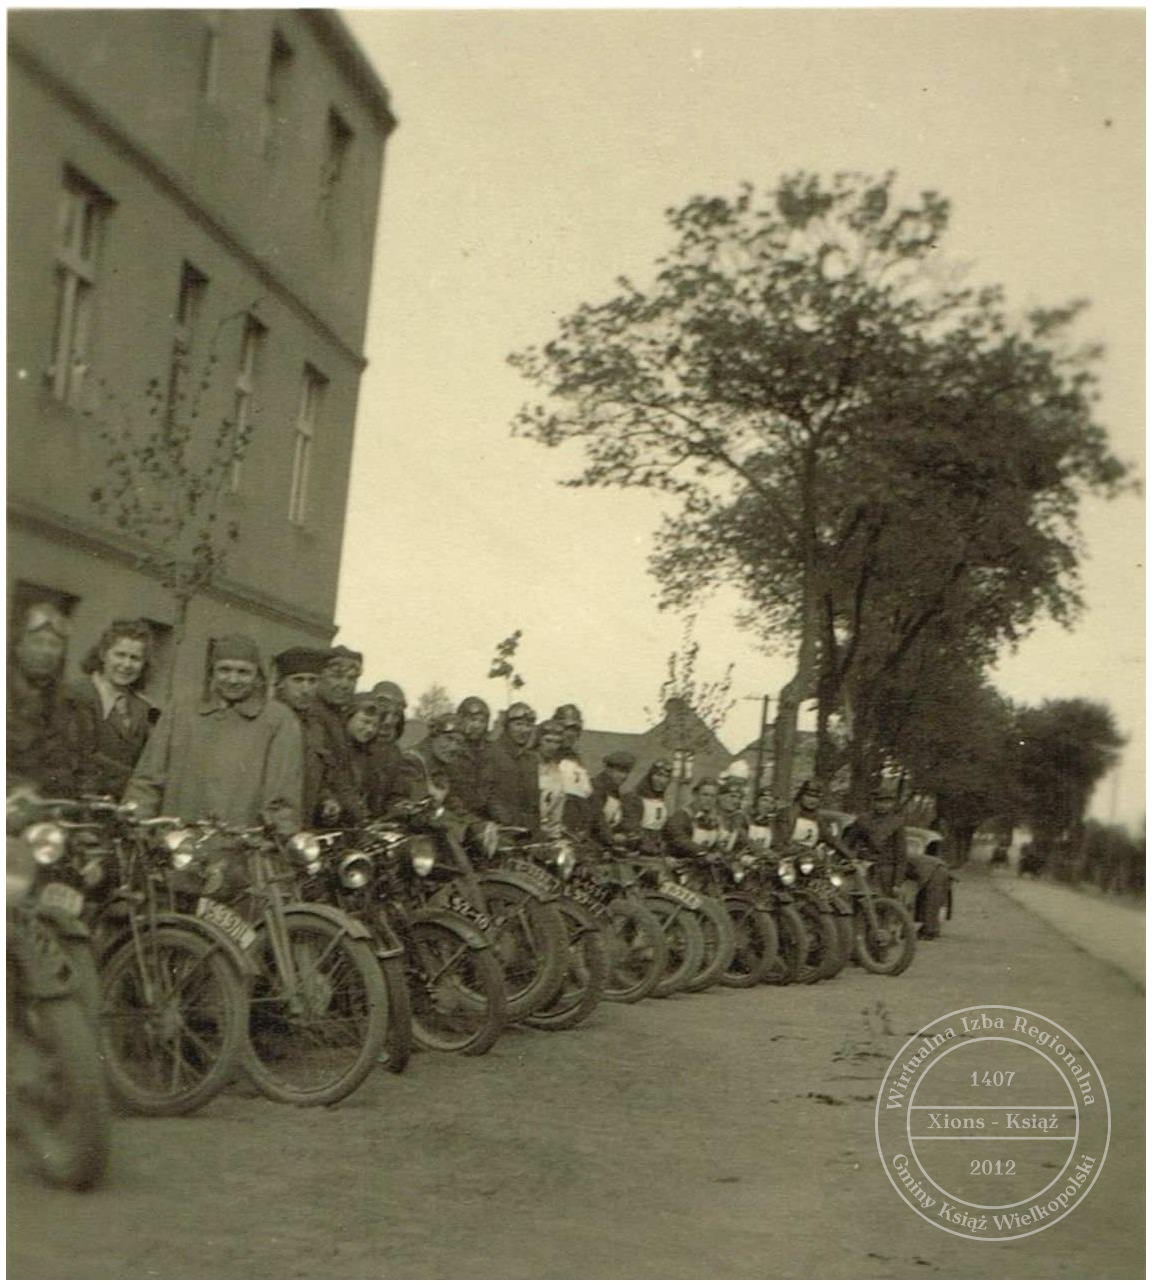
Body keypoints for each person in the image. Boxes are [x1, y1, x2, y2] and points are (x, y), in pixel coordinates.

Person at [124, 634, 303, 832]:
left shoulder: (278, 720)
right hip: (178, 844)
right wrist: (136, 827)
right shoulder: (181, 711)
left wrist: (277, 839)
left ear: (257, 676)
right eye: (224, 670)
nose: (233, 679)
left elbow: (283, 795)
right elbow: (148, 778)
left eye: (243, 672)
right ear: (212, 672)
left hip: (243, 846)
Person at [64, 619, 159, 799]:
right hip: (77, 800)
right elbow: (82, 757)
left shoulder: (143, 708)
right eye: (120, 655)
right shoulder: (76, 695)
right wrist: (134, 779)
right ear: (103, 654)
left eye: (135, 658)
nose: (126, 665)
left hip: (123, 807)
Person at [7, 601, 73, 793]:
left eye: (54, 645)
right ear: (18, 646)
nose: (46, 651)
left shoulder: (67, 700)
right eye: (37, 642)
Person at [272, 646, 338, 825]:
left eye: (312, 681)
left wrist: (326, 800)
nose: (305, 689)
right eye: (298, 680)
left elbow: (320, 778)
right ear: (280, 683)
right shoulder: (266, 722)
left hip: (301, 830)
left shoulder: (316, 729)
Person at [486, 702, 540, 832]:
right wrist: (506, 820)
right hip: (497, 828)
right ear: (507, 726)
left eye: (528, 725)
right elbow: (486, 796)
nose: (524, 730)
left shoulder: (531, 759)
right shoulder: (491, 752)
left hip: (526, 831)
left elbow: (533, 802)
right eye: (518, 724)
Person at [553, 703, 594, 838]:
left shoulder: (577, 761)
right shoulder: (546, 758)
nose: (570, 734)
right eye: (566, 728)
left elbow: (585, 796)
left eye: (575, 729)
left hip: (577, 832)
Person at [447, 696, 492, 817]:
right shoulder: (448, 748)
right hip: (455, 817)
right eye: (472, 719)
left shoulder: (491, 751)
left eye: (482, 721)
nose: (477, 725)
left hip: (484, 817)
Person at [621, 760, 674, 855]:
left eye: (666, 777)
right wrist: (649, 846)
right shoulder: (633, 798)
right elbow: (631, 825)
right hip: (636, 847)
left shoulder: (661, 801)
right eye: (658, 775)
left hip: (655, 848)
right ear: (650, 776)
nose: (661, 780)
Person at [665, 777, 724, 859]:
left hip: (702, 864)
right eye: (705, 795)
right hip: (679, 862)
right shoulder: (682, 815)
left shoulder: (715, 819)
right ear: (695, 794)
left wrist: (718, 852)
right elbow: (680, 839)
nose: (709, 800)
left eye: (713, 796)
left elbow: (715, 844)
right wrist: (702, 852)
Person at [589, 750, 636, 849]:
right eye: (619, 771)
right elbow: (597, 818)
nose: (624, 776)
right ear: (608, 769)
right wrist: (611, 838)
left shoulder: (615, 792)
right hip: (590, 843)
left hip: (604, 845)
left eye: (627, 772)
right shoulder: (596, 787)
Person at [536, 719, 569, 838]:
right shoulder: (525, 764)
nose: (552, 746)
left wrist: (555, 836)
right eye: (548, 741)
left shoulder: (557, 773)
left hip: (545, 834)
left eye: (557, 742)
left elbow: (556, 812)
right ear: (539, 740)